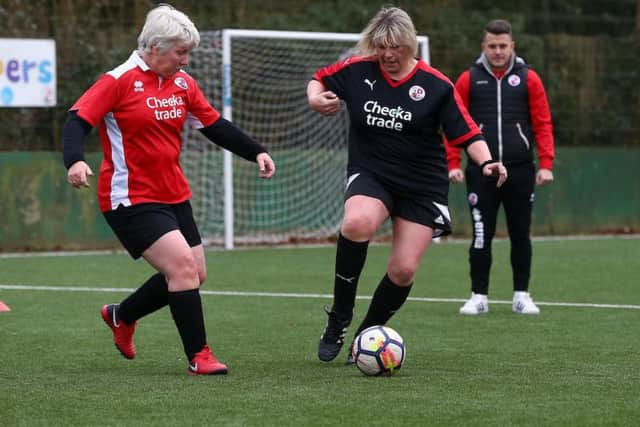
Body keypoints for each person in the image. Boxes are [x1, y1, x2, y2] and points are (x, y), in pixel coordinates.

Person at [62, 4, 275, 375]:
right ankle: (200, 357)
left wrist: (255, 151)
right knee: (182, 268)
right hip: (129, 197)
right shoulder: (118, 80)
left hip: (174, 194)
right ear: (155, 47)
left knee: (195, 272)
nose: (186, 61)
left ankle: (121, 315)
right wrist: (75, 161)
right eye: (181, 52)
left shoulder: (182, 83)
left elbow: (213, 125)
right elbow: (76, 120)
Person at [307, 6, 507, 364]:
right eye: (381, 46)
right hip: (372, 172)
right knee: (357, 222)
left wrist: (488, 161)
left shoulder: (436, 85)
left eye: (395, 47)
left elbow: (467, 131)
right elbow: (318, 77)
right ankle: (339, 315)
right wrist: (314, 96)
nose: (387, 54)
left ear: (410, 45)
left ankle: (366, 336)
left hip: (421, 183)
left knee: (403, 270)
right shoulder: (358, 70)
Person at [445, 19, 554, 316]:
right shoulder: (468, 79)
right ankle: (478, 296)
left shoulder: (529, 78)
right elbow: (453, 122)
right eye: (492, 46)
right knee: (482, 235)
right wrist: (453, 162)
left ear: (512, 46)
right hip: (482, 172)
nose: (497, 51)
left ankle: (522, 295)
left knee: (521, 234)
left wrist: (546, 164)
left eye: (502, 46)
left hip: (520, 171)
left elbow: (542, 122)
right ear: (484, 47)